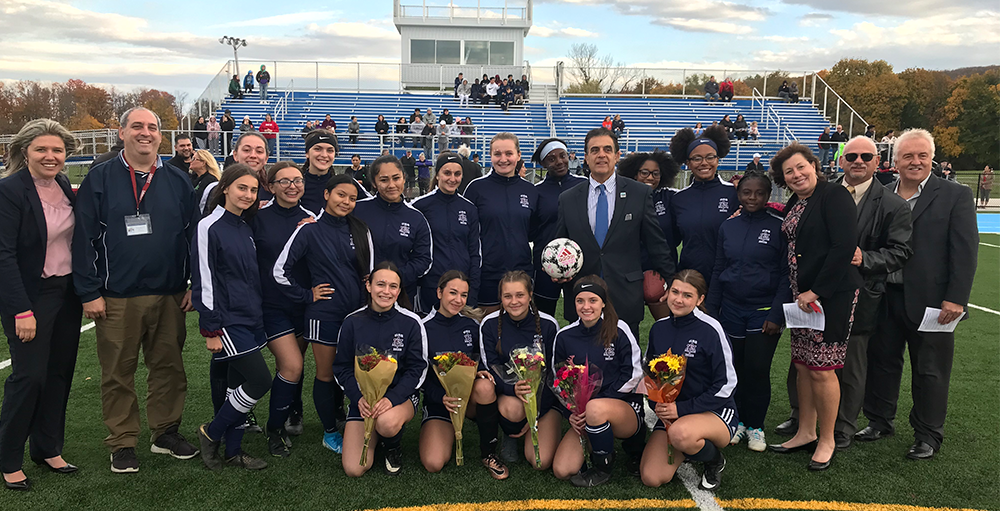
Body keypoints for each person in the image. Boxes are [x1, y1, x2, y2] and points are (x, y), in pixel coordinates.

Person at [73, 107, 199, 473]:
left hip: (169, 292)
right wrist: (88, 291)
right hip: (116, 295)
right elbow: (84, 239)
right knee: (118, 371)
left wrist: (192, 283)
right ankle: (122, 442)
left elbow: (191, 238)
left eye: (153, 128)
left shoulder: (177, 181)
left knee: (169, 368)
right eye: (138, 126)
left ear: (162, 136)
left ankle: (165, 432)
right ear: (122, 132)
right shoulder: (100, 178)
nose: (146, 133)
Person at [861, 129, 978, 460]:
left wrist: (956, 298)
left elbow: (965, 251)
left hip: (933, 302)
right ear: (894, 161)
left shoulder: (955, 195)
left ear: (932, 159)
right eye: (908, 156)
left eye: (922, 155)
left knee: (930, 369)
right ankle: (879, 420)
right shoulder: (880, 193)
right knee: (881, 361)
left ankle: (928, 434)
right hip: (884, 295)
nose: (915, 162)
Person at [791, 136, 911, 450]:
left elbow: (895, 252)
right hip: (805, 294)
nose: (858, 161)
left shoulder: (885, 203)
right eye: (852, 155)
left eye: (866, 156)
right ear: (841, 160)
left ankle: (840, 429)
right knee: (804, 363)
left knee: (844, 366)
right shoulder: (809, 195)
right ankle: (804, 424)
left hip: (847, 293)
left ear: (878, 161)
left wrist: (862, 260)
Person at [765, 143, 861, 471]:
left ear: (813, 165)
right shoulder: (797, 200)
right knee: (803, 365)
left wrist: (817, 290)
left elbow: (844, 245)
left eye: (800, 167)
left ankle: (827, 438)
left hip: (828, 298)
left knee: (822, 369)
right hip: (801, 299)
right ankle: (805, 431)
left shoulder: (834, 195)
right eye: (789, 172)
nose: (796, 175)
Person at [0, 119, 83, 491]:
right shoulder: (9, 190)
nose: (51, 157)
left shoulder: (63, 185)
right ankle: (8, 458)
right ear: (24, 152)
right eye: (42, 150)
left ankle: (48, 448)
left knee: (58, 373)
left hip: (67, 295)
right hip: (30, 297)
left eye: (57, 150)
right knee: (28, 377)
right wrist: (21, 309)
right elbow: (3, 256)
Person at [273, 173, 374, 454]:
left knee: (355, 373)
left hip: (356, 315)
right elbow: (280, 271)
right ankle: (330, 432)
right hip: (323, 315)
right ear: (327, 194)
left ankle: (353, 420)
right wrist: (307, 295)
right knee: (327, 375)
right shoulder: (309, 230)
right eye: (341, 195)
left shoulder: (360, 229)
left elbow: (369, 274)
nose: (347, 202)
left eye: (353, 198)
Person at [556, 127, 675, 337]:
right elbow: (561, 244)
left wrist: (672, 281)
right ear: (586, 157)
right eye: (594, 150)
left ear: (617, 156)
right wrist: (558, 272)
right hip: (583, 292)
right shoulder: (568, 198)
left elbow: (655, 243)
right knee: (582, 363)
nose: (601, 154)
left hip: (625, 293)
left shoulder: (639, 193)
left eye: (607, 149)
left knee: (625, 361)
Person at [192, 164, 270, 471]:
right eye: (242, 188)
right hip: (226, 321)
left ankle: (234, 451)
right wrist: (210, 328)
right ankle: (211, 433)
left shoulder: (244, 227)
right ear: (225, 188)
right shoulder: (208, 226)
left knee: (235, 387)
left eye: (253, 190)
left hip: (251, 317)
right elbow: (205, 278)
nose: (248, 195)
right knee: (260, 379)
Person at [705, 172, 789, 453]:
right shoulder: (728, 227)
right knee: (735, 369)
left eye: (759, 193)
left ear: (768, 195)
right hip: (730, 309)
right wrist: (712, 309)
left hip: (763, 311)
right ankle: (737, 422)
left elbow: (786, 275)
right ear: (738, 194)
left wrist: (776, 313)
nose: (752, 198)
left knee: (757, 369)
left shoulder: (779, 226)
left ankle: (756, 426)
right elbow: (718, 268)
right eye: (746, 193)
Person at [640, 270, 736, 491]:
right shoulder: (659, 328)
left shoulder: (711, 329)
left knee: (680, 434)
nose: (679, 299)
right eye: (675, 292)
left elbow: (727, 384)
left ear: (700, 300)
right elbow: (650, 375)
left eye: (687, 295)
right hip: (673, 415)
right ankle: (688, 447)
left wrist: (682, 408)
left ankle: (714, 460)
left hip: (713, 411)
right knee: (652, 477)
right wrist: (659, 405)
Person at [334, 261, 428, 477]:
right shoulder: (352, 322)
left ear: (399, 290)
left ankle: (392, 446)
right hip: (364, 401)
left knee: (386, 423)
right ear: (369, 285)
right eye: (381, 284)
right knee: (354, 469)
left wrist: (391, 399)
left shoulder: (411, 322)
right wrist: (358, 398)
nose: (386, 291)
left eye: (393, 286)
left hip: (400, 399)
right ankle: (371, 429)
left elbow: (417, 370)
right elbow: (341, 368)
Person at [249, 162, 316, 455]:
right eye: (284, 181)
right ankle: (274, 430)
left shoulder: (312, 219)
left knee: (292, 367)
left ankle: (294, 410)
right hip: (272, 305)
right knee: (292, 365)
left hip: (303, 305)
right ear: (271, 186)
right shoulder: (257, 217)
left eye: (297, 180)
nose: (292, 186)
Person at [551, 277, 643, 487]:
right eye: (580, 301)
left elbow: (634, 375)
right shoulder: (564, 336)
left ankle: (603, 466)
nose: (586, 307)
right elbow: (558, 381)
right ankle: (598, 441)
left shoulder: (620, 329)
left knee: (595, 409)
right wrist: (571, 414)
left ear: (603, 302)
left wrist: (597, 404)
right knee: (562, 469)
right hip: (585, 414)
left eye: (593, 300)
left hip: (625, 410)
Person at [418, 271, 508, 478]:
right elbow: (418, 377)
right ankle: (440, 425)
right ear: (439, 292)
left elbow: (482, 361)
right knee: (433, 462)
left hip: (468, 401)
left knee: (485, 386)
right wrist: (439, 397)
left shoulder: (471, 325)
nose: (459, 300)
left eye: (464, 295)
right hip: (440, 403)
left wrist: (480, 372)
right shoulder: (422, 327)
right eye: (453, 293)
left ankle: (489, 452)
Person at [480, 271, 560, 468]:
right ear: (501, 298)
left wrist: (537, 411)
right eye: (507, 296)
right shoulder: (489, 324)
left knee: (540, 462)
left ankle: (535, 426)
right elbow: (488, 368)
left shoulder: (548, 324)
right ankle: (510, 433)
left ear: (530, 295)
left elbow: (554, 373)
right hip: (511, 397)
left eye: (520, 295)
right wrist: (511, 389)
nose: (514, 301)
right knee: (512, 410)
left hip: (545, 399)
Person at [463, 133, 540, 314]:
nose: (503, 159)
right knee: (487, 332)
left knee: (519, 333)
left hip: (522, 274)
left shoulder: (530, 191)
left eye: (509, 153)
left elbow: (533, 232)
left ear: (518, 155)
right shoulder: (476, 189)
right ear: (490, 156)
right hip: (487, 275)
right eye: (497, 154)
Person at [353, 155, 433, 301]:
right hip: (360, 295)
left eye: (396, 178)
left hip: (401, 296)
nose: (391, 185)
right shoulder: (357, 210)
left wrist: (394, 279)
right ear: (374, 183)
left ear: (404, 178)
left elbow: (423, 260)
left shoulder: (416, 218)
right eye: (384, 180)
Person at [669, 125, 739, 288]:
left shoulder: (734, 193)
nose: (704, 163)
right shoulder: (678, 199)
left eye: (710, 157)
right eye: (697, 158)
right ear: (688, 162)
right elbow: (670, 242)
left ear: (718, 159)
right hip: (690, 279)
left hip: (728, 277)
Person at [615, 150, 681, 319]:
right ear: (634, 174)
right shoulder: (622, 198)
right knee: (627, 325)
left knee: (668, 325)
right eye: (644, 172)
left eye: (655, 173)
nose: (650, 177)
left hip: (663, 270)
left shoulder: (671, 197)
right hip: (630, 272)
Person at [413, 153, 481, 312]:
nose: (452, 178)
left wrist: (473, 287)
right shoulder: (420, 206)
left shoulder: (469, 208)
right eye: (447, 173)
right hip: (431, 286)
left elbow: (475, 251)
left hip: (461, 287)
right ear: (437, 174)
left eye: (457, 174)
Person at [529, 138, 587, 316]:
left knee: (583, 313)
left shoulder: (584, 184)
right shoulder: (536, 191)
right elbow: (531, 230)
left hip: (580, 262)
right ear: (543, 163)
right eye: (551, 158)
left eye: (562, 156)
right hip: (546, 265)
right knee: (543, 316)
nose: (559, 161)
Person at [190, 149, 221, 214]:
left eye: (194, 159)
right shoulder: (192, 178)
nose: (191, 161)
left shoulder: (211, 181)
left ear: (203, 163)